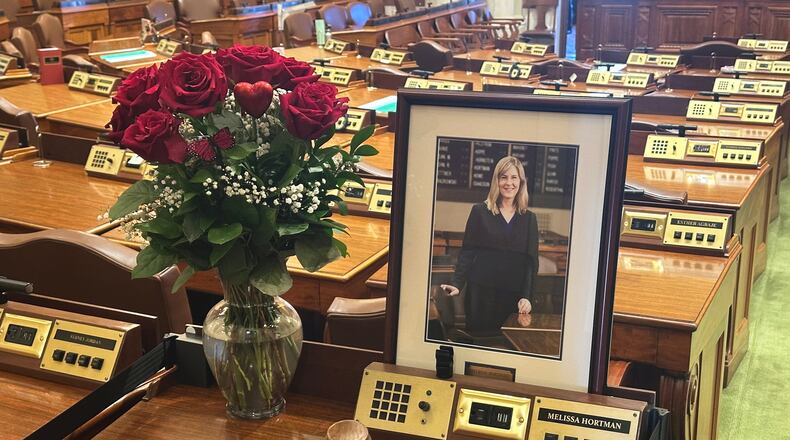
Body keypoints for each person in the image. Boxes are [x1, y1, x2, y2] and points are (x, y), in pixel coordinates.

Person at [441, 156, 539, 333]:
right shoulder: (479, 212)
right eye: (504, 177)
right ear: (497, 181)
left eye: (514, 177)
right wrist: (457, 283)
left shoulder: (530, 219)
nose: (509, 183)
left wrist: (527, 297)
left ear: (521, 182)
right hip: (481, 295)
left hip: (513, 297)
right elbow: (467, 253)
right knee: (480, 342)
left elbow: (531, 263)